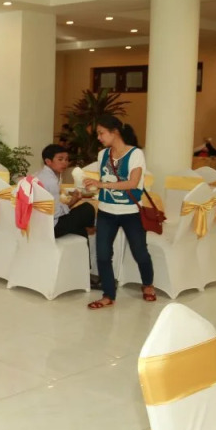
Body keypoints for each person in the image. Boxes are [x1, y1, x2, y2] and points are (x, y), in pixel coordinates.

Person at [88, 115, 154, 310]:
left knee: (140, 252)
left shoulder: (135, 154)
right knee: (102, 255)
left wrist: (101, 184)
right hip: (106, 211)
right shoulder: (102, 154)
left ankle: (148, 284)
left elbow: (132, 183)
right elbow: (104, 180)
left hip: (131, 212)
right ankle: (108, 295)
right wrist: (93, 185)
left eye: (101, 133)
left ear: (114, 132)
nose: (99, 137)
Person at [37, 144, 96, 238]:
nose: (65, 163)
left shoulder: (40, 175)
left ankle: (87, 231)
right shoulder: (51, 181)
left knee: (81, 230)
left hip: (39, 224)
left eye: (66, 159)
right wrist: (73, 201)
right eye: (60, 159)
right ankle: (91, 230)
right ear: (48, 161)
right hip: (52, 227)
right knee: (87, 208)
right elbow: (56, 213)